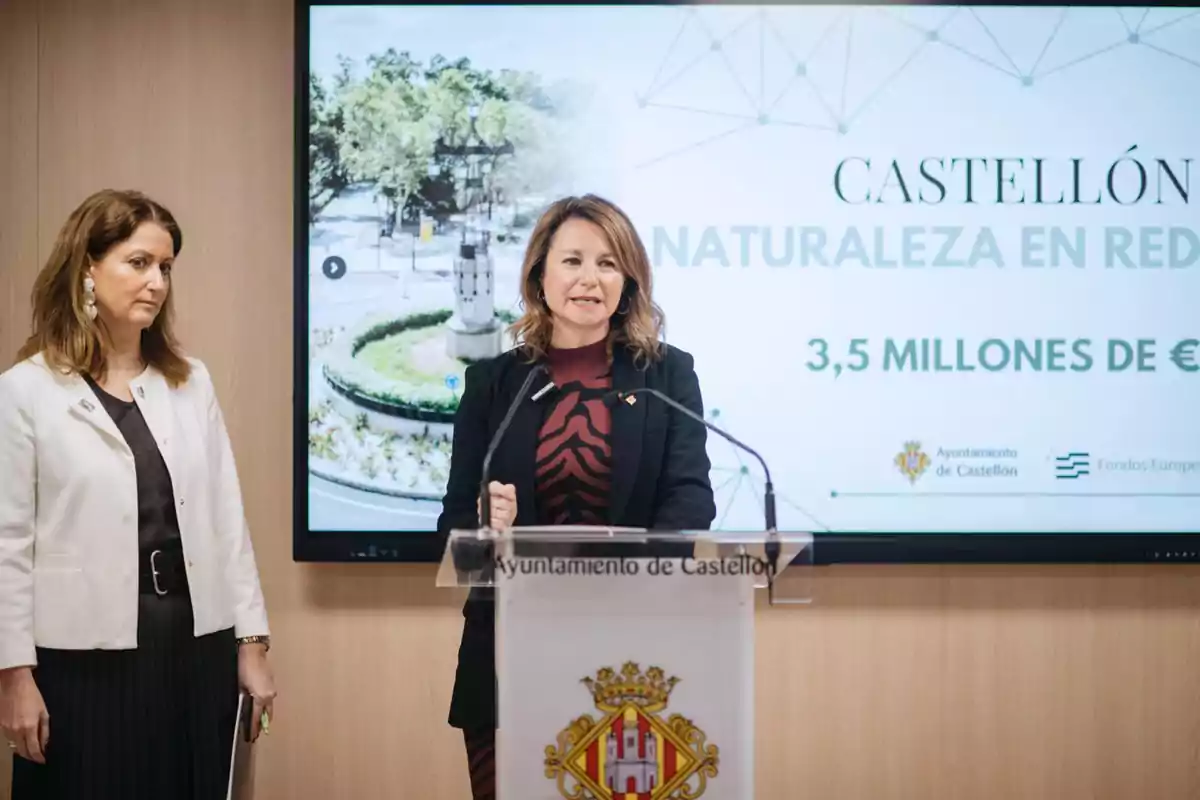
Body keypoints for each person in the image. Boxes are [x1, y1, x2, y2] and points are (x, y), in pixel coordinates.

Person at [435, 194, 717, 799]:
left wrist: (626, 591)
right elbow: (455, 520)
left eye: (609, 263)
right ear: (540, 274)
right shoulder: (495, 383)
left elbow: (690, 502)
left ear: (630, 282)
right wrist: (487, 525)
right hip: (508, 653)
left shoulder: (667, 376)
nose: (590, 279)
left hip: (633, 658)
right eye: (573, 261)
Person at [0, 189, 277, 799]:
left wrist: (252, 645)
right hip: (81, 662)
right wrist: (12, 675)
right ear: (87, 268)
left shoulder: (189, 381)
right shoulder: (25, 392)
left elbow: (228, 520)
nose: (156, 281)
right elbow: (7, 546)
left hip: (194, 648)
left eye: (167, 267)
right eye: (139, 262)